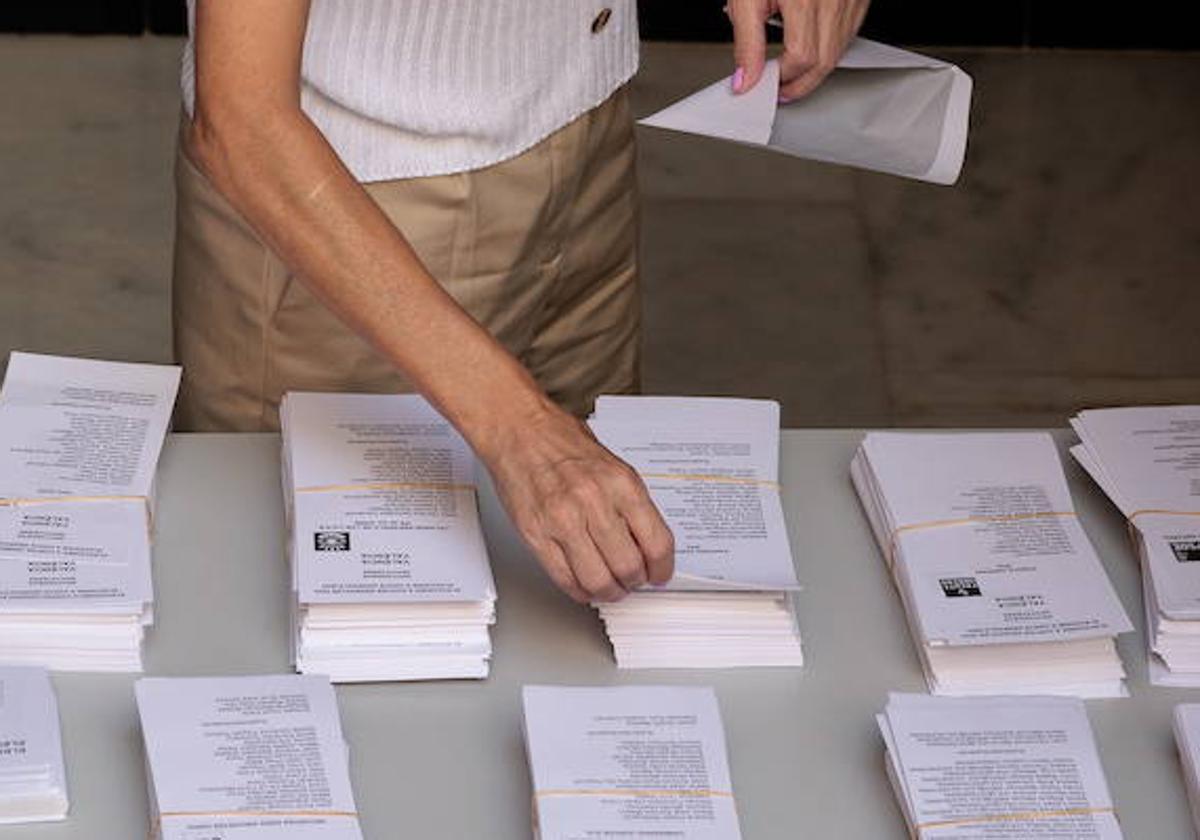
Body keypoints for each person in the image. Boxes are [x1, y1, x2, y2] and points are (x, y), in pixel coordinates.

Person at [174, 0, 868, 605]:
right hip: (356, 207)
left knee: (596, 590)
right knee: (355, 654)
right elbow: (242, 121)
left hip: (585, 133)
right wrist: (520, 429)